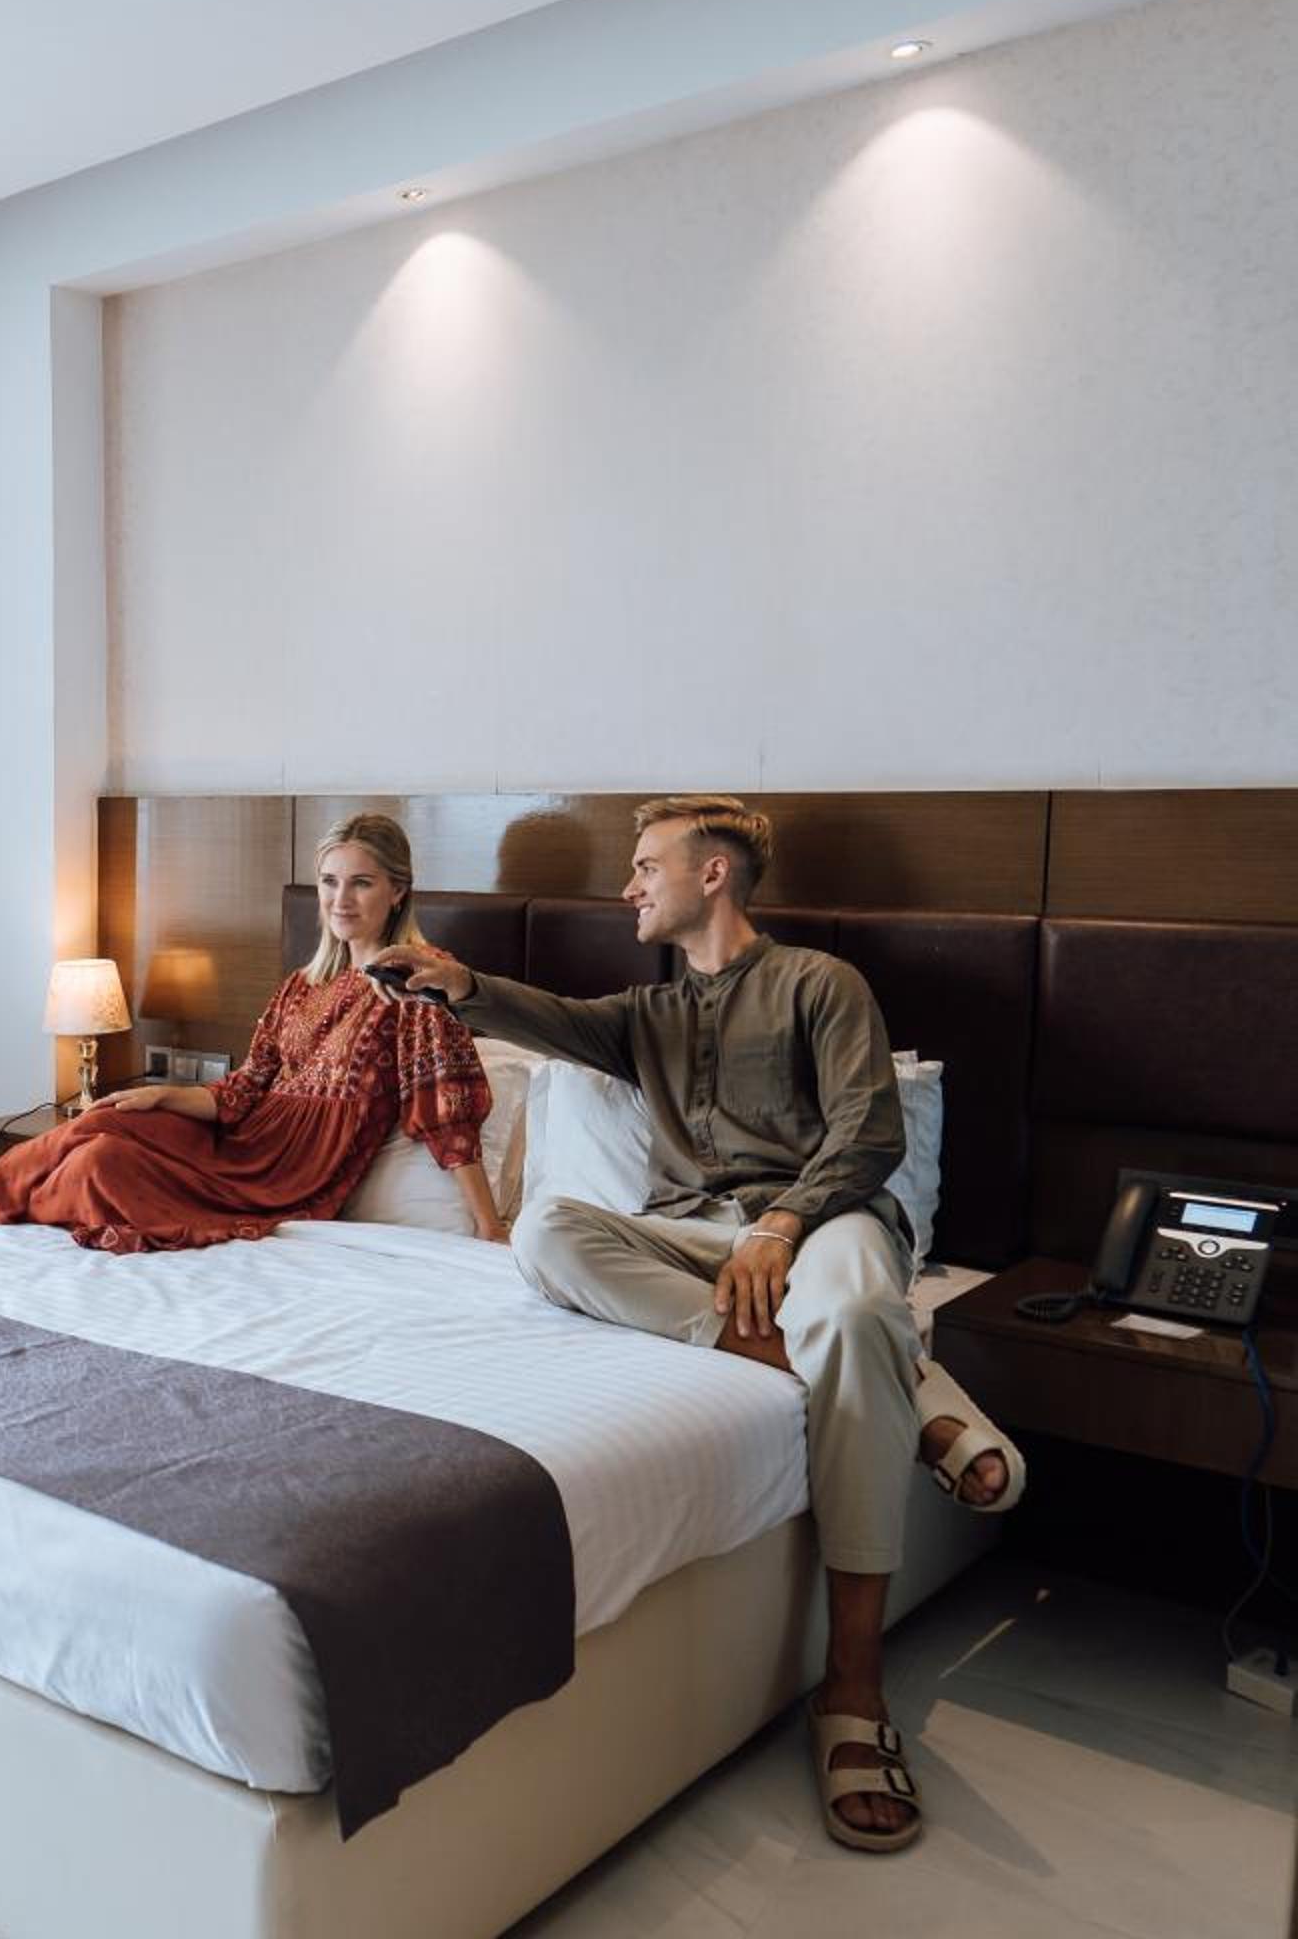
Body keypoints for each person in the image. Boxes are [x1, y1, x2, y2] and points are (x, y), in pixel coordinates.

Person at [371, 795, 1026, 1855]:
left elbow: (869, 1131)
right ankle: (901, 1385)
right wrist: (463, 985)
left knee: (860, 1303)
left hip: (828, 1221)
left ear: (712, 873)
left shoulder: (821, 984)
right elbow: (548, 1018)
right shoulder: (647, 1013)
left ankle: (852, 1684)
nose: (628, 886)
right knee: (548, 1231)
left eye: (645, 866)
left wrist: (782, 1223)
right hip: (693, 1237)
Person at [0, 813, 502, 1252]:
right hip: (242, 1139)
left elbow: (444, 1107)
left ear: (398, 890)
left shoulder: (418, 980)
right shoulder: (302, 985)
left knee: (99, 1164)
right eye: (328, 882)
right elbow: (246, 1088)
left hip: (285, 1174)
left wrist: (488, 1223)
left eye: (361, 883)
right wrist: (165, 1096)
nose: (339, 899)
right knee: (99, 1128)